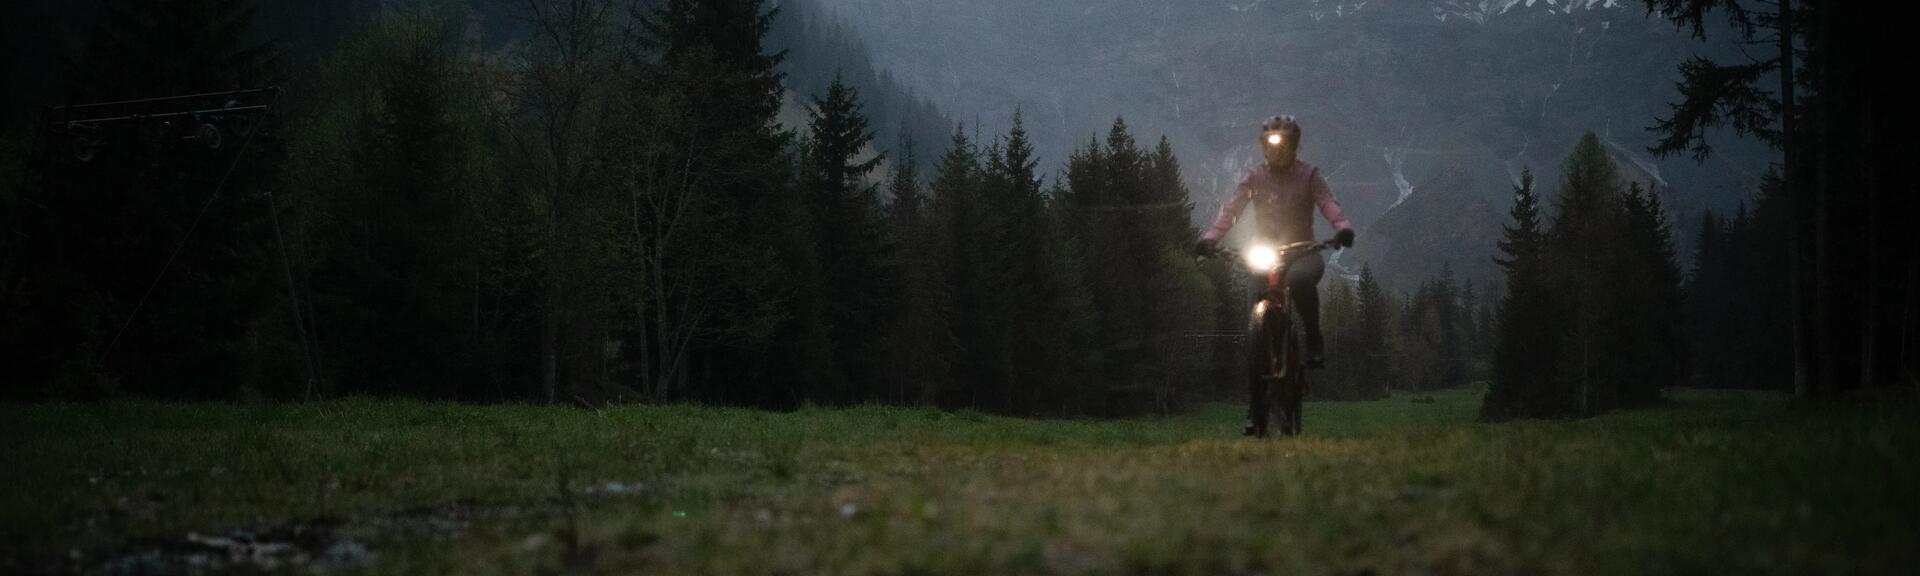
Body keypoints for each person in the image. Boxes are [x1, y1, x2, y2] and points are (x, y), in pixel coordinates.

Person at [1193, 115, 1354, 369]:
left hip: (1303, 252)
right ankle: (1259, 380)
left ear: (1293, 146)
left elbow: (1327, 203)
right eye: (1269, 145)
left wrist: (1342, 228)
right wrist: (1210, 238)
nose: (1275, 151)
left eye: (1282, 145)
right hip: (1265, 251)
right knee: (1256, 301)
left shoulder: (1309, 175)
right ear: (1264, 147)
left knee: (1299, 281)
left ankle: (1314, 339)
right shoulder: (1254, 177)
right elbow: (1231, 210)